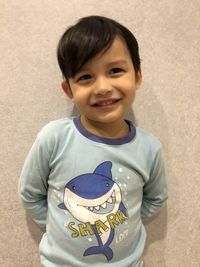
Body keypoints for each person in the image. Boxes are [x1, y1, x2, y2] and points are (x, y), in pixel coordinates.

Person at [19, 15, 168, 267]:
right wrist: (56, 226)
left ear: (138, 76)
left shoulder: (149, 148)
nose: (102, 87)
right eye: (85, 77)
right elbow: (30, 194)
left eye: (115, 71)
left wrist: (119, 220)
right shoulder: (53, 138)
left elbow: (156, 198)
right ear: (69, 90)